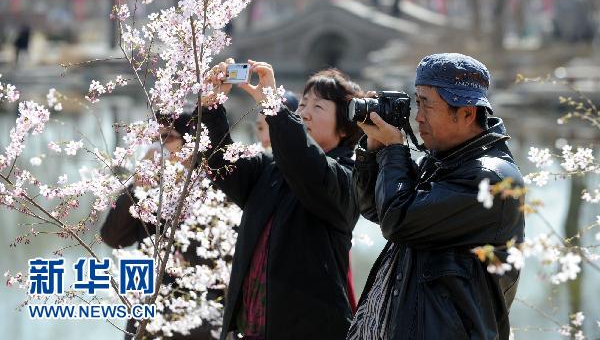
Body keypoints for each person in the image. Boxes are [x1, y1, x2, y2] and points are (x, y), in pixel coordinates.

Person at [348, 53, 525, 340]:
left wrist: (395, 149)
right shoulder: (444, 160)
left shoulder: (490, 179)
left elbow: (399, 221)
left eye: (427, 105)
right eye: (417, 102)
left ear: (467, 113)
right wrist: (374, 149)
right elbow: (375, 209)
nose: (417, 117)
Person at [201, 60, 363, 340]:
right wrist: (212, 107)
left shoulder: (347, 178)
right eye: (302, 105)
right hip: (253, 328)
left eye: (318, 107)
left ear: (345, 129)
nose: (305, 114)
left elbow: (307, 164)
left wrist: (274, 106)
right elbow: (221, 166)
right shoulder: (270, 168)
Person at [101, 112, 218, 340]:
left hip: (196, 317)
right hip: (147, 315)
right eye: (155, 139)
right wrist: (135, 188)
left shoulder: (212, 189)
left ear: (191, 143)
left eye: (167, 137)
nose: (158, 147)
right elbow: (113, 238)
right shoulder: (151, 193)